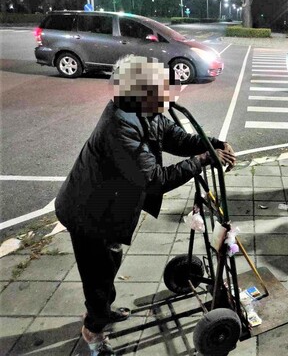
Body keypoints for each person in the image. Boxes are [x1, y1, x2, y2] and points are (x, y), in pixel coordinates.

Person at [55, 55, 236, 355]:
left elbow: (174, 137)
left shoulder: (144, 110)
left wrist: (212, 144)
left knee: (109, 263)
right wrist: (202, 161)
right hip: (89, 212)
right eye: (161, 88)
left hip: (109, 208)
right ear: (140, 92)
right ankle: (93, 333)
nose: (168, 92)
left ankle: (100, 310)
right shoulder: (120, 125)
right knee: (98, 275)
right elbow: (155, 179)